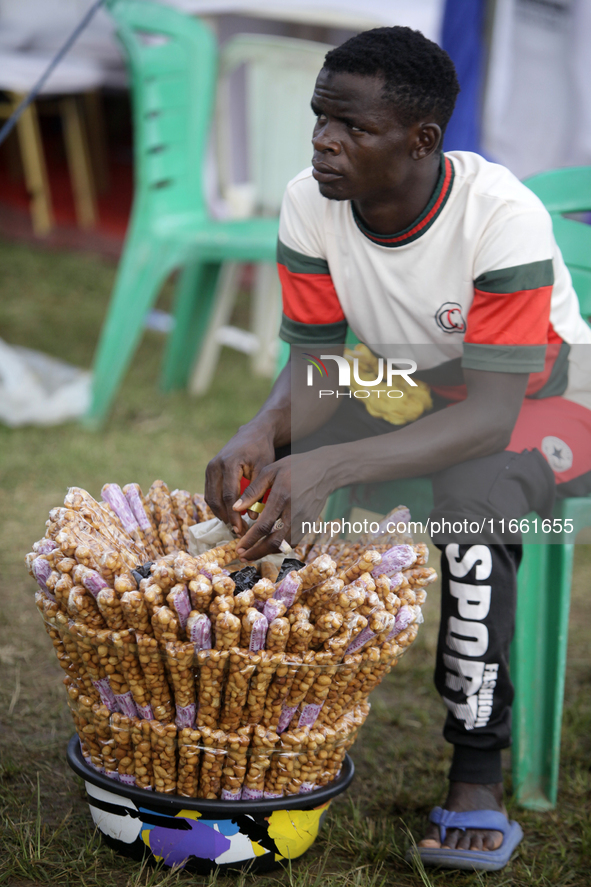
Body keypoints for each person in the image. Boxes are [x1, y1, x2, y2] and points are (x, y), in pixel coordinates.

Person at [204, 27, 591, 870]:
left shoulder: (500, 216)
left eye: (351, 128)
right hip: (402, 380)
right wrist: (261, 431)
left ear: (421, 141)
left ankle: (476, 770)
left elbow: (490, 416)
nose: (322, 141)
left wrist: (334, 460)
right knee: (271, 460)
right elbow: (314, 365)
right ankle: (253, 711)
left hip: (544, 398)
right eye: (318, 119)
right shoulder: (309, 199)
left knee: (471, 496)